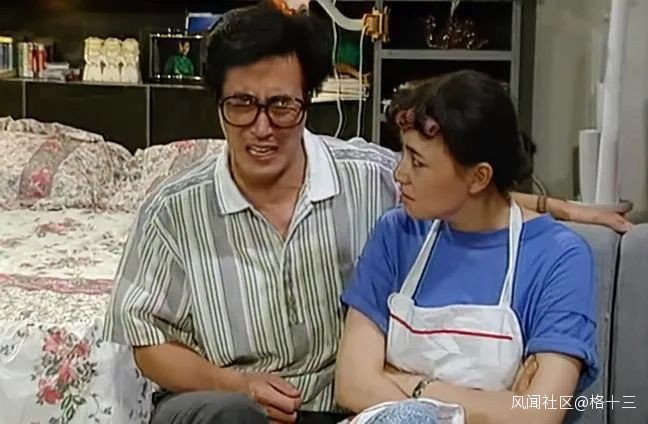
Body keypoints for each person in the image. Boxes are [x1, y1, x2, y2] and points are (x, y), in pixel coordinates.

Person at [103, 2, 630, 424]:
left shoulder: (371, 181)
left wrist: (559, 207)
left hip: (339, 410)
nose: (262, 127)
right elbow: (148, 344)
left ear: (307, 102)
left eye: (281, 106)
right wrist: (236, 384)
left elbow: (463, 189)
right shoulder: (174, 209)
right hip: (226, 400)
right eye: (241, 104)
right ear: (217, 103)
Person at [335, 71, 598, 424]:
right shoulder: (396, 233)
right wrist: (493, 405)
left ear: (479, 177)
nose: (400, 174)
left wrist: (411, 383)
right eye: (403, 154)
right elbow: (353, 385)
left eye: (418, 162)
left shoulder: (560, 257)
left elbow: (538, 413)